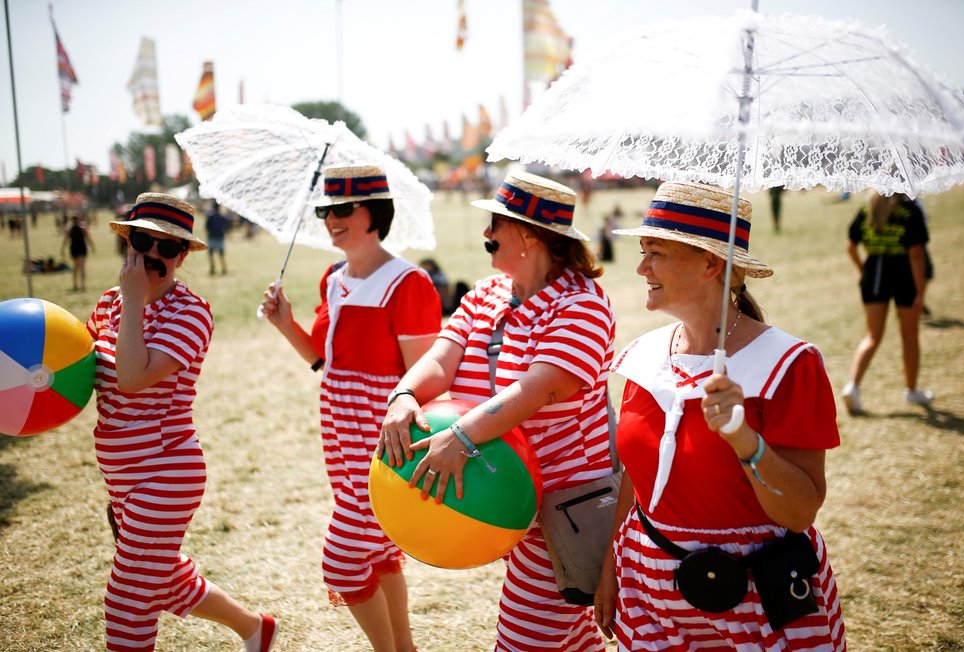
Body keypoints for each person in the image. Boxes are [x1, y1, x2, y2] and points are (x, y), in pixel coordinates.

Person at [595, 181, 845, 649]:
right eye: (643, 251)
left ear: (711, 263)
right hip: (647, 590)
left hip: (758, 595)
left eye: (656, 252)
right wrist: (611, 565)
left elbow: (799, 511)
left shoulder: (788, 364)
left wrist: (745, 440)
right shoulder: (643, 358)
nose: (640, 267)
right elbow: (639, 478)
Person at [381, 171, 617, 652]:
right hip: (504, 500)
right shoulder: (486, 294)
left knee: (524, 640)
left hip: (561, 510)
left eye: (495, 224)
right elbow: (442, 358)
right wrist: (403, 395)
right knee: (566, 639)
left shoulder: (581, 307)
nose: (486, 234)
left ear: (529, 234)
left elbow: (539, 389)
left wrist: (461, 437)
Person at [260, 164, 442, 652]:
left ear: (374, 212)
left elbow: (423, 380)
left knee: (342, 560)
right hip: (339, 433)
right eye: (325, 210)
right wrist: (286, 324)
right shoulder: (332, 278)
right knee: (378, 553)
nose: (331, 219)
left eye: (343, 209)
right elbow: (327, 362)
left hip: (383, 441)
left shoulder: (409, 282)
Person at [86, 193, 277, 651]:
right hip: (120, 474)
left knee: (128, 599)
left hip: (166, 472)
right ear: (127, 242)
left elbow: (132, 379)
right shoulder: (109, 305)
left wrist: (132, 300)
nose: (153, 255)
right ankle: (256, 629)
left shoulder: (190, 312)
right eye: (143, 240)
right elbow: (76, 375)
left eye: (167, 247)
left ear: (183, 255)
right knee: (164, 579)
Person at [841, 192, 932, 415]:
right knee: (909, 334)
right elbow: (916, 253)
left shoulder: (867, 209)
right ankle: (911, 390)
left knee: (872, 335)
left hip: (874, 274)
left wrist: (864, 271)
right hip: (905, 275)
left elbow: (851, 247)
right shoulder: (910, 211)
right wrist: (920, 292)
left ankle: (852, 386)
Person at [61, 215, 95, 291]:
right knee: (81, 268)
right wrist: (92, 246)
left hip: (75, 248)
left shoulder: (70, 229)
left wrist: (62, 250)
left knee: (76, 268)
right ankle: (81, 285)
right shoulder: (82, 228)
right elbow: (88, 238)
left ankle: (76, 285)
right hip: (80, 248)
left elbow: (65, 240)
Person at [205, 201, 231, 275]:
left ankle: (212, 268)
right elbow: (227, 224)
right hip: (220, 236)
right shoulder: (221, 216)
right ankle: (224, 268)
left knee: (211, 253)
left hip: (212, 237)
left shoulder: (210, 216)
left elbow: (207, 227)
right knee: (221, 254)